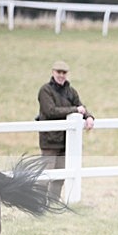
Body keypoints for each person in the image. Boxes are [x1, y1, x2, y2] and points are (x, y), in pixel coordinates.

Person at [37, 60, 94, 199]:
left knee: (61, 176)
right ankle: (39, 202)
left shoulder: (70, 91)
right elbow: (50, 111)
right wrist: (75, 110)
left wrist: (89, 117)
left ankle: (53, 202)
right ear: (53, 72)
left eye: (64, 72)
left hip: (66, 142)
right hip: (50, 141)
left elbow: (81, 107)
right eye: (58, 72)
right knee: (46, 175)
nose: (61, 75)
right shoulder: (45, 90)